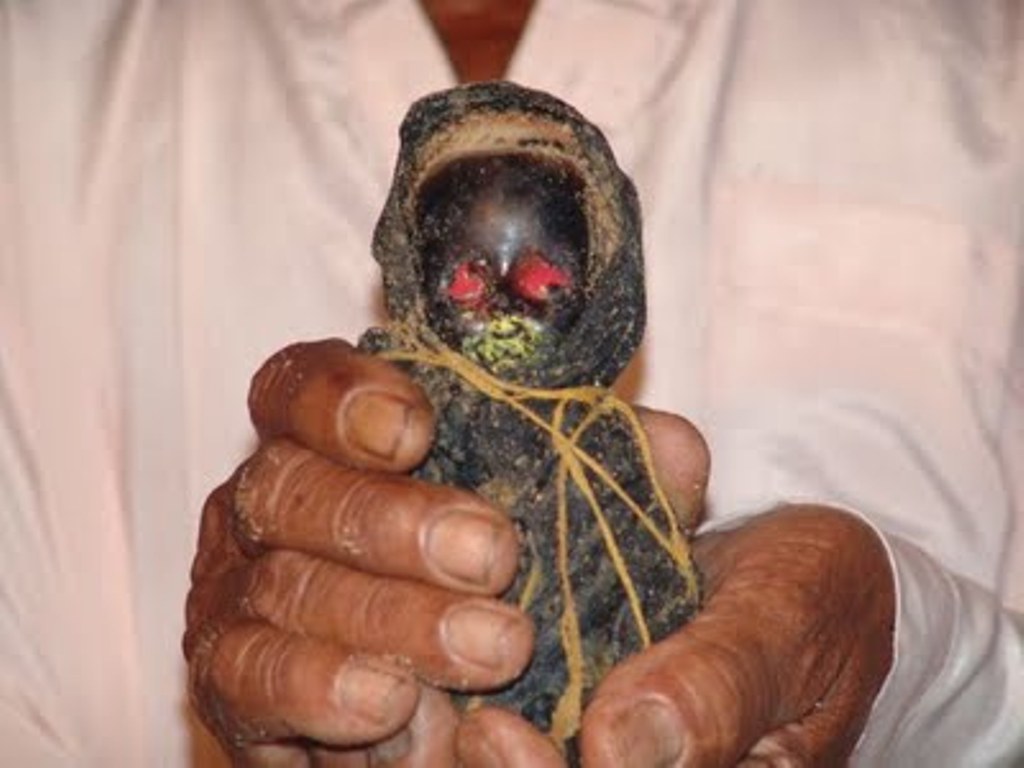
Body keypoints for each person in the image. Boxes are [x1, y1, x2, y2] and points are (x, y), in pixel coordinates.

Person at [2, 0, 1021, 766]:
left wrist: (920, 667)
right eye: (463, 276)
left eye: (541, 277)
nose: (500, 307)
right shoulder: (35, 77)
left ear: (602, 277)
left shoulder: (986, 49)